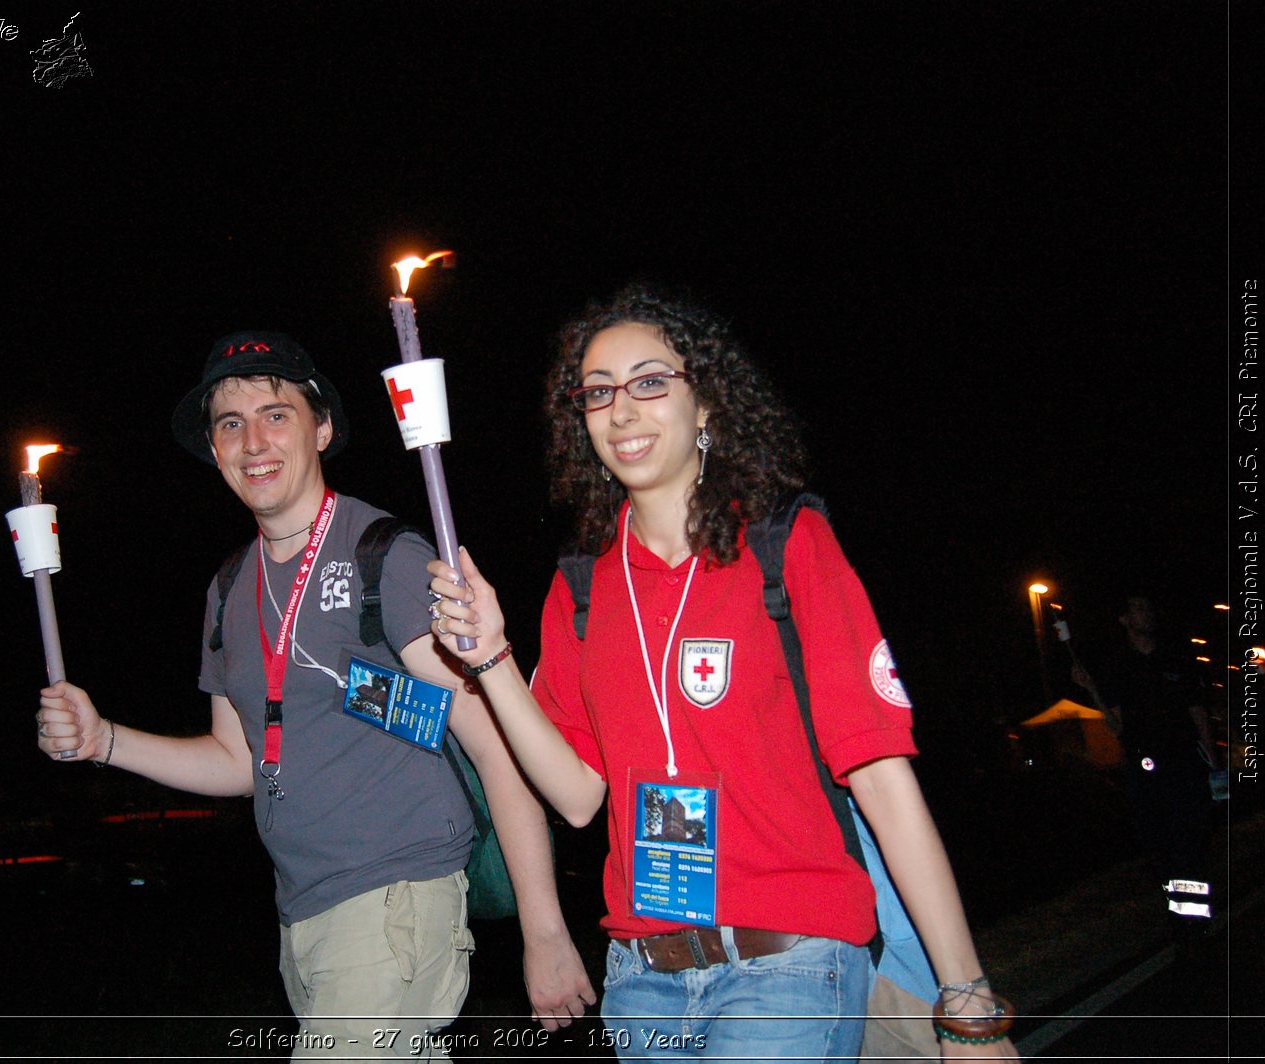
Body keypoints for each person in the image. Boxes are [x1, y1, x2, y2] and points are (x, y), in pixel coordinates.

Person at [425, 286, 1018, 1060]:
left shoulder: (787, 544)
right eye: (598, 392)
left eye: (649, 382)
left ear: (704, 402)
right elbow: (576, 798)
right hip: (642, 982)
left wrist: (966, 996)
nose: (622, 409)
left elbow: (880, 775)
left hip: (794, 965)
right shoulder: (579, 588)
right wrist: (493, 660)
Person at [35, 331, 594, 1057]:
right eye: (229, 423)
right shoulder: (229, 589)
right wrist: (103, 737)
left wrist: (543, 931)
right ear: (213, 449)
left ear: (321, 428)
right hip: (303, 913)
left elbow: (497, 749)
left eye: (276, 414)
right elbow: (237, 760)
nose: (253, 441)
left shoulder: (383, 559)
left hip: (397, 902)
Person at [1075, 593, 1218, 922]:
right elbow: (1115, 725)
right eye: (1138, 608)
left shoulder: (1176, 656)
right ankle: (1180, 910)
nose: (1147, 614)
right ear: (1125, 619)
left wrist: (1214, 762)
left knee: (1190, 838)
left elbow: (1197, 710)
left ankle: (1192, 920)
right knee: (1159, 842)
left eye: (1148, 607)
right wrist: (1091, 690)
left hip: (1184, 760)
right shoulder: (1118, 663)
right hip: (1144, 765)